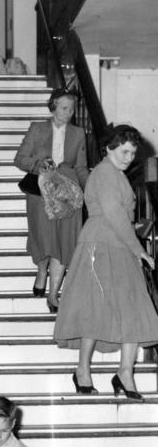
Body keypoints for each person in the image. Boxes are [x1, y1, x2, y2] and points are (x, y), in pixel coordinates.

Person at [54, 124, 158, 399]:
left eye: (133, 153)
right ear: (110, 148)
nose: (129, 158)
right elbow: (114, 215)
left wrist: (134, 247)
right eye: (124, 151)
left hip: (120, 246)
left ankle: (125, 372)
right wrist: (140, 250)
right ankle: (82, 370)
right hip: (100, 245)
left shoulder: (117, 175)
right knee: (94, 309)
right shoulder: (103, 174)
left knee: (133, 309)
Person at [14, 88, 89, 312]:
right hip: (41, 189)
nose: (69, 113)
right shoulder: (38, 129)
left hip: (69, 190)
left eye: (72, 109)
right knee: (44, 238)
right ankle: (41, 270)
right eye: (64, 108)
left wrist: (89, 191)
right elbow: (19, 159)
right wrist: (38, 166)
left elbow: (82, 167)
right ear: (53, 106)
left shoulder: (78, 133)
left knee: (65, 241)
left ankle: (54, 294)